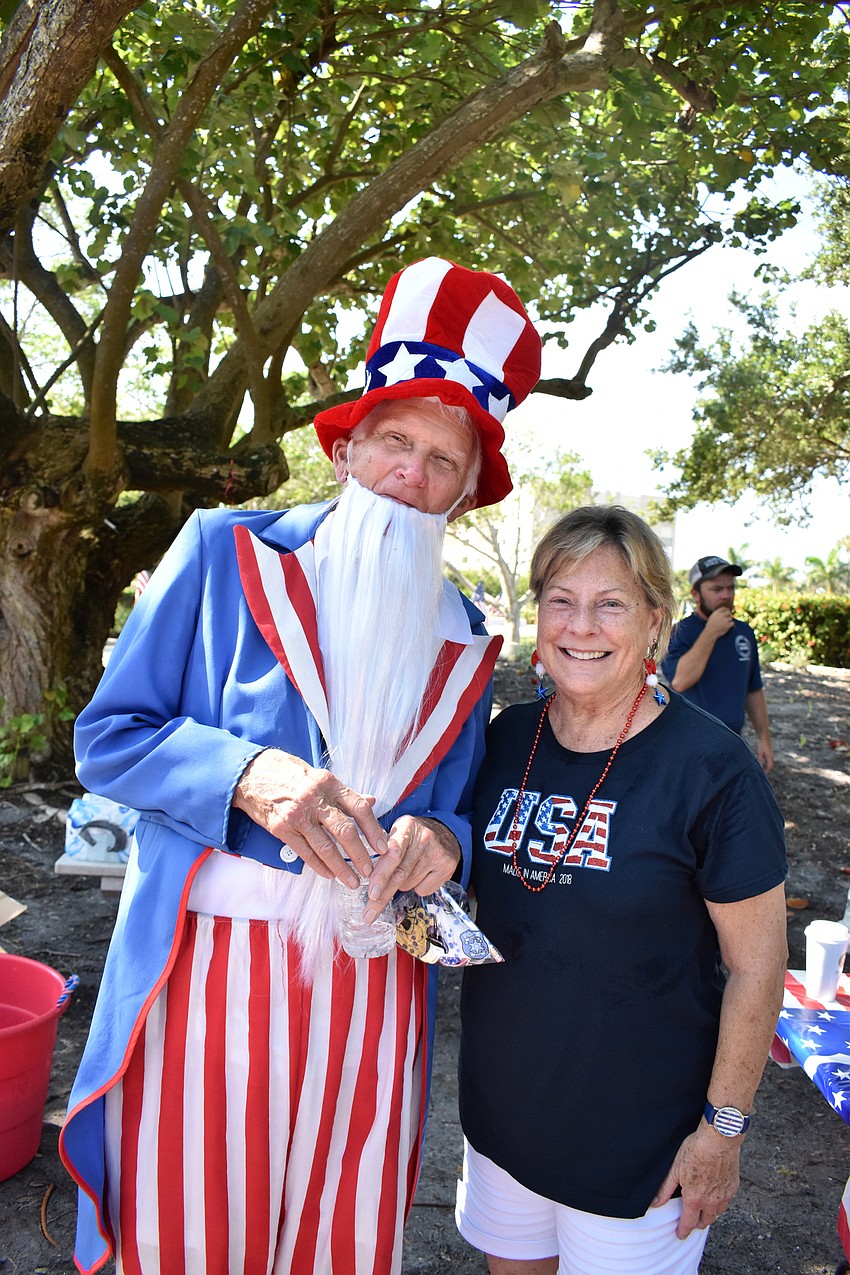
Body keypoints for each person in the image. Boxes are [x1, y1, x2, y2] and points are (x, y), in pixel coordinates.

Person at [59, 256, 542, 1275]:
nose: (412, 474)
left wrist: (439, 840)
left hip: (378, 982)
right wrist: (245, 774)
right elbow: (109, 738)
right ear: (347, 447)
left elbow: (456, 811)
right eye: (395, 443)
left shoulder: (465, 634)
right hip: (211, 970)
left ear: (462, 494)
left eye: (441, 461)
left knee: (340, 1238)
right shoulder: (221, 552)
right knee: (189, 1235)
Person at [456, 506, 788, 1275]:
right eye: (562, 600)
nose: (582, 624)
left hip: (640, 1145)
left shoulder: (713, 769)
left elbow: (758, 968)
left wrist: (723, 1130)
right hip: (503, 1117)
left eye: (611, 603)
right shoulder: (505, 738)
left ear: (655, 622)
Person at [662, 555, 774, 773]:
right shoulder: (680, 632)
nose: (726, 595)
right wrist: (711, 632)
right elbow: (680, 680)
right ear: (696, 593)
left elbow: (753, 689)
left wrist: (764, 737)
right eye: (716, 589)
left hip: (731, 743)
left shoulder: (744, 632)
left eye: (730, 588)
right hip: (688, 745)